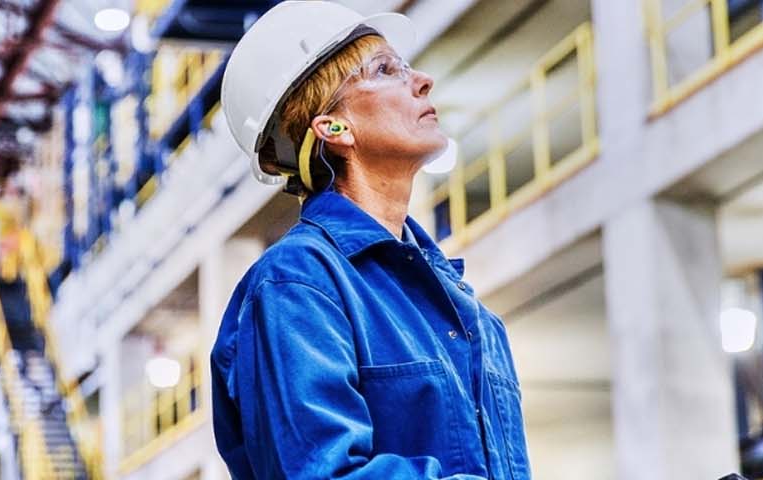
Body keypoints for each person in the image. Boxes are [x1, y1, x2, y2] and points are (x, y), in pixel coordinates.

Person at [211, 2, 531, 479]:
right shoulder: (297, 286)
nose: (421, 80)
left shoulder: (472, 315)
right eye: (385, 69)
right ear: (333, 128)